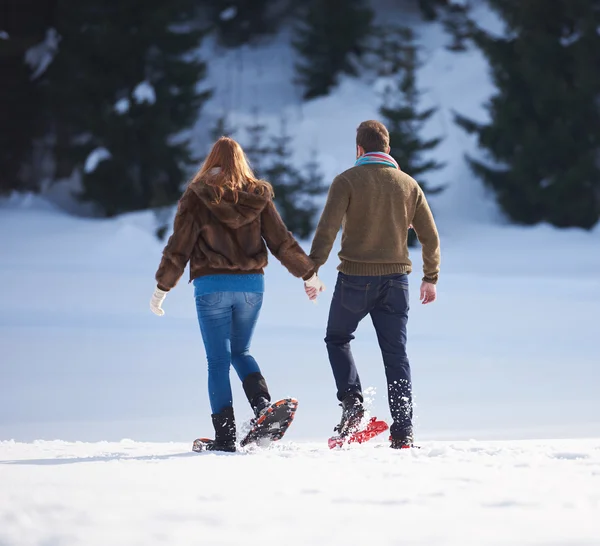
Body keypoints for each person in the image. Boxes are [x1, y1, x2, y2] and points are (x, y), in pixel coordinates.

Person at [149, 137, 322, 452]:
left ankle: (226, 437)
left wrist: (163, 286)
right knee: (240, 351)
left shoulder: (197, 196)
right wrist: (308, 273)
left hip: (211, 287)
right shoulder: (256, 196)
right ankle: (263, 407)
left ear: (210, 160)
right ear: (241, 162)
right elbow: (281, 241)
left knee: (217, 360)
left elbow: (179, 246)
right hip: (251, 288)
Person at [304, 120, 441, 449]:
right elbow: (430, 237)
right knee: (396, 355)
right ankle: (403, 431)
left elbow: (327, 229)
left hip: (355, 279)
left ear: (359, 150)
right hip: (397, 282)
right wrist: (430, 277)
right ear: (388, 149)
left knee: (337, 338)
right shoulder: (409, 185)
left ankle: (353, 409)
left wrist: (313, 270)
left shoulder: (347, 181)